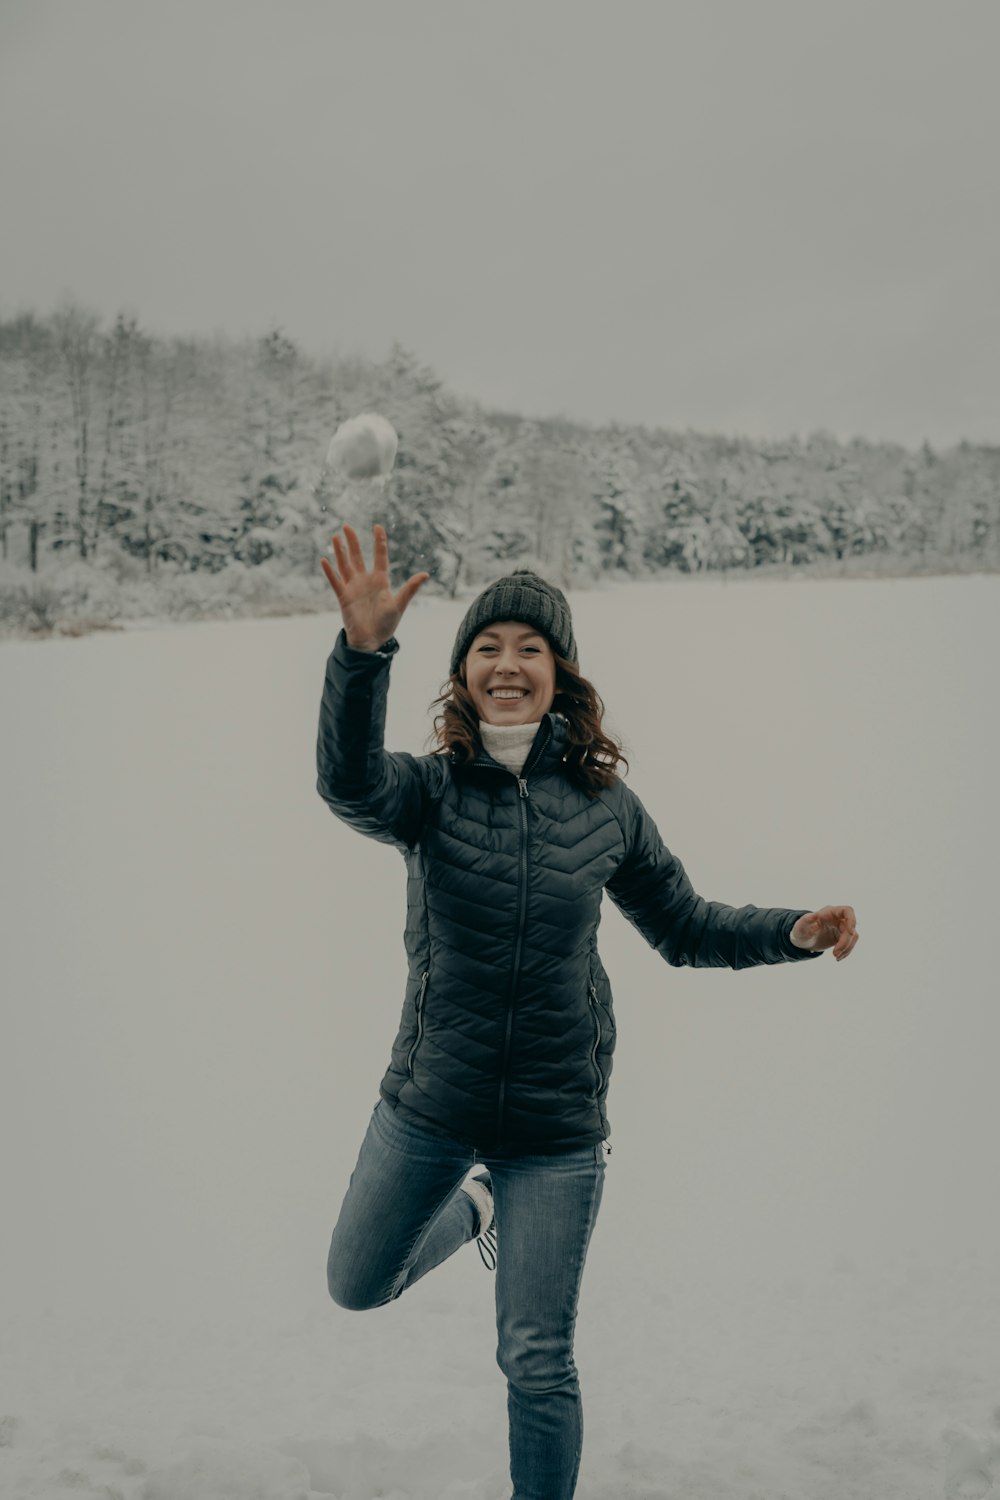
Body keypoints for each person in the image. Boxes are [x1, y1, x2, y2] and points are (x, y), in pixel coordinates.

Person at [316, 522, 858, 1500]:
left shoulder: (606, 807)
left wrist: (791, 930)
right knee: (356, 1283)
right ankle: (474, 1205)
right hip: (431, 1103)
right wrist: (363, 654)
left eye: (531, 647)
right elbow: (347, 783)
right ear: (463, 674)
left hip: (557, 1126)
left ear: (562, 673)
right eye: (488, 646)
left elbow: (685, 925)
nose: (508, 663)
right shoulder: (430, 793)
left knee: (538, 1360)